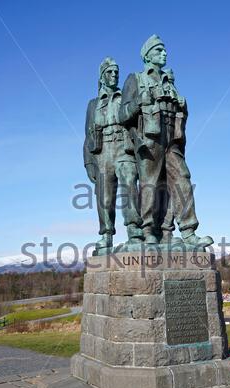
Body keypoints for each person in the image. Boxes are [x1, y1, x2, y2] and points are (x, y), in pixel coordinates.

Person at [119, 35, 213, 248]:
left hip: (172, 138)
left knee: (183, 178)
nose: (164, 53)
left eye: (164, 50)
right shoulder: (135, 79)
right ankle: (148, 230)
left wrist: (183, 105)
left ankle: (189, 232)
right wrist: (137, 103)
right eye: (159, 50)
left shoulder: (169, 81)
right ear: (147, 55)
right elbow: (122, 115)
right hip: (150, 138)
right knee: (150, 183)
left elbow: (180, 113)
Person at [83, 58, 143, 251]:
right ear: (102, 77)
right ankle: (106, 235)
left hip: (123, 148)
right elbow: (87, 136)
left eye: (116, 72)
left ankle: (134, 230)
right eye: (110, 72)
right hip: (102, 153)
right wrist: (88, 163)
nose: (114, 75)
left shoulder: (124, 96)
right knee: (105, 197)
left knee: (129, 184)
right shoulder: (93, 104)